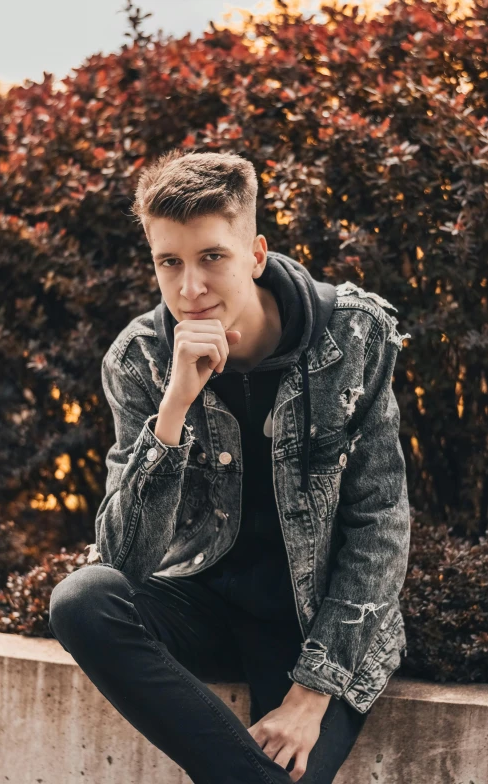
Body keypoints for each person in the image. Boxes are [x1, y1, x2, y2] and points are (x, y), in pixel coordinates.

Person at [48, 149, 412, 783]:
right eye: (170, 263)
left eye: (211, 257)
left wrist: (310, 696)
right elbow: (124, 558)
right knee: (81, 599)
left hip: (310, 619)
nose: (190, 289)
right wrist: (173, 409)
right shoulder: (138, 361)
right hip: (199, 600)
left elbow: (380, 525)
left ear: (256, 253)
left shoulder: (353, 337)